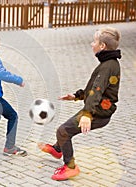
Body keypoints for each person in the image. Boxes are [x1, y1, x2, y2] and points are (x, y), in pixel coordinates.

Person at [38, 27, 121, 181]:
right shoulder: (109, 63)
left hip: (97, 112)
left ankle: (70, 167)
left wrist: (87, 115)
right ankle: (58, 149)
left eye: (94, 41)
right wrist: (77, 96)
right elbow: (96, 89)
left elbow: (96, 91)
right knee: (65, 131)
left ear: (102, 46)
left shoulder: (107, 66)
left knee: (63, 131)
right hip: (98, 108)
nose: (91, 44)